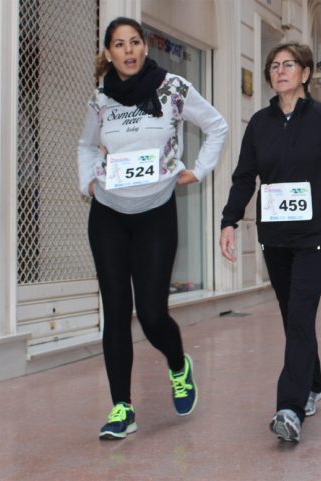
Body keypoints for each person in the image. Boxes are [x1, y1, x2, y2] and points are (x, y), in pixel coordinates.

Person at [77, 17, 228, 440]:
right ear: (108, 53)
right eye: (119, 45)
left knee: (152, 313)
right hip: (107, 213)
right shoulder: (100, 99)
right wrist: (87, 181)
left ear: (145, 47)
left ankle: (179, 364)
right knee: (116, 312)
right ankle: (122, 408)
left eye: (135, 42)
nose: (128, 51)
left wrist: (198, 171)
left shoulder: (173, 88)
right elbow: (87, 144)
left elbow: (216, 125)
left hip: (155, 213)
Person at [219, 42, 321, 443]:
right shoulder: (259, 123)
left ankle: (289, 407)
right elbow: (244, 176)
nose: (280, 71)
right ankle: (314, 381)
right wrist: (229, 220)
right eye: (274, 65)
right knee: (293, 315)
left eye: (289, 65)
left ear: (305, 73)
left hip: (316, 235)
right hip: (275, 237)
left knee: (301, 314)